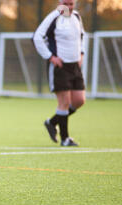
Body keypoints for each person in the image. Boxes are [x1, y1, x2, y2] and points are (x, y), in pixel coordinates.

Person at [33, 0, 86, 147]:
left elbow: (82, 36)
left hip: (75, 67)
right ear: (59, 3)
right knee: (64, 102)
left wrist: (81, 54)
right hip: (59, 67)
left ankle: (52, 122)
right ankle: (65, 138)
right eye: (65, 3)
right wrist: (50, 57)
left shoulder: (77, 17)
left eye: (71, 4)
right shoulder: (53, 18)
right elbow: (37, 37)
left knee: (79, 100)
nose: (68, 7)